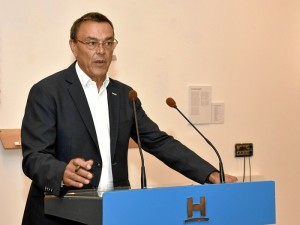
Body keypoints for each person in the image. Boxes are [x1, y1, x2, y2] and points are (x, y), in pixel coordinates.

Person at [21, 12, 237, 225]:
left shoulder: (124, 95)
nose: (101, 51)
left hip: (114, 213)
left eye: (108, 43)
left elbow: (159, 142)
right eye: (91, 43)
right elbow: (34, 156)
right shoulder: (48, 91)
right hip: (59, 214)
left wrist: (210, 174)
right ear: (73, 46)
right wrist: (61, 172)